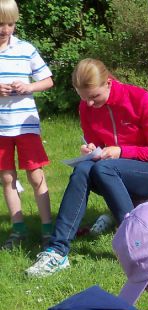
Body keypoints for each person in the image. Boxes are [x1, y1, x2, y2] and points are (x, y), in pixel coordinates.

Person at [26, 58, 148, 278]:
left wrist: (121, 151)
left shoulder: (141, 100)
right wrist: (92, 149)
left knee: (103, 169)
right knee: (82, 170)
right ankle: (57, 251)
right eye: (84, 98)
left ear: (109, 83)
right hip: (110, 171)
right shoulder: (86, 107)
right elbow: (98, 145)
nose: (89, 103)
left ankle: (138, 243)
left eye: (94, 96)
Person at [0, 0, 52, 251]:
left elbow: (47, 80)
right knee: (7, 177)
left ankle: (47, 229)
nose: (5, 29)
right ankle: (18, 229)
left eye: (10, 24)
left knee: (35, 175)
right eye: (0, 24)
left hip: (25, 125)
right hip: (1, 128)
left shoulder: (25, 49)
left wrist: (28, 86)